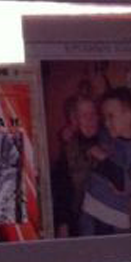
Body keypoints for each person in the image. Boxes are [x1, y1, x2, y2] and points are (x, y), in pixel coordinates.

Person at [79, 87, 131, 235]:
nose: (107, 123)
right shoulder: (107, 135)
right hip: (89, 207)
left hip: (109, 218)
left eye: (111, 117)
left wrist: (102, 157)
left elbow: (126, 184)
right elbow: (89, 133)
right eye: (105, 118)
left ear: (128, 116)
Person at [51, 94, 103, 237]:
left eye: (93, 113)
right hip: (79, 222)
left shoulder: (107, 140)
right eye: (84, 115)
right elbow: (62, 192)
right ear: (74, 121)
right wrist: (63, 224)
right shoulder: (69, 151)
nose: (91, 119)